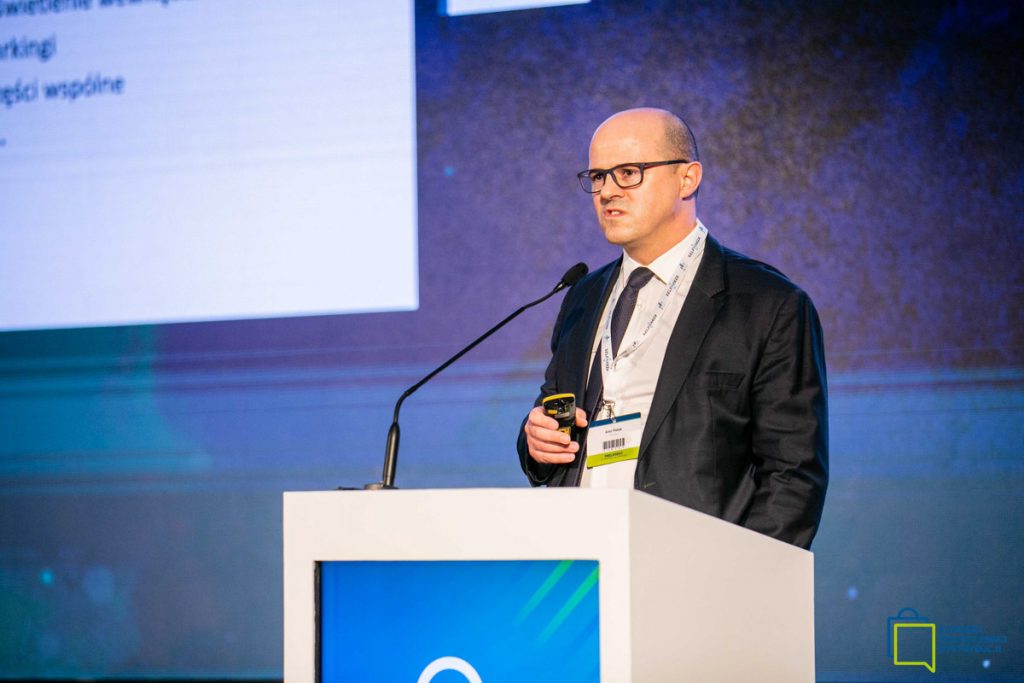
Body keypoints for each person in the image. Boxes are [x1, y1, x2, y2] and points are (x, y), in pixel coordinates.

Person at [517, 108, 828, 549]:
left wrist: (745, 575)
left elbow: (792, 475)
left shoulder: (768, 304)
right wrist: (537, 442)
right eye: (598, 177)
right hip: (580, 563)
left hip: (696, 567)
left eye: (628, 173)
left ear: (687, 179)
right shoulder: (582, 296)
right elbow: (550, 423)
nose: (607, 192)